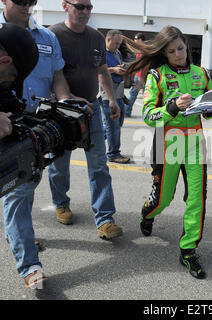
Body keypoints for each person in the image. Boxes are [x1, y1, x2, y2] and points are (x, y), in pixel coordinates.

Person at [0, 0, 87, 289]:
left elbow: (57, 77)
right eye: (20, 0)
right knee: (14, 193)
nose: (27, 6)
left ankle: (19, 237)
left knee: (22, 188)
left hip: (25, 122)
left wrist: (65, 104)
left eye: (32, 1)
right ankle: (29, 264)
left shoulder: (47, 38)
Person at [124, 26, 212, 279]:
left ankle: (188, 251)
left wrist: (209, 109)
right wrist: (172, 107)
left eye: (181, 49)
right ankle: (147, 214)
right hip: (167, 142)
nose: (178, 54)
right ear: (164, 53)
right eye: (172, 51)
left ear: (187, 47)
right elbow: (149, 116)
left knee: (197, 200)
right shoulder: (157, 75)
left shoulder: (201, 73)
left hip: (196, 142)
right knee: (163, 199)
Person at [47, 0, 123, 239]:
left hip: (91, 109)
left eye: (89, 7)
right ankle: (61, 203)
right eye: (80, 6)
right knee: (59, 164)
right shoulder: (52, 35)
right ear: (64, 6)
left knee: (100, 165)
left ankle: (105, 219)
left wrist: (110, 99)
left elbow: (102, 71)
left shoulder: (97, 37)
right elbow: (46, 73)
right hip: (61, 113)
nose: (85, 12)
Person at [99, 29, 130, 164]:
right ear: (108, 40)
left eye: (119, 44)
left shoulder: (117, 53)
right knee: (113, 125)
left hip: (118, 93)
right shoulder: (101, 53)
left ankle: (95, 141)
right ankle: (113, 153)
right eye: (116, 43)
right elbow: (96, 70)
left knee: (116, 124)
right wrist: (113, 70)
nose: (118, 46)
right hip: (107, 95)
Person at [124, 32, 146, 117]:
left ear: (140, 40)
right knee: (133, 93)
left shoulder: (143, 50)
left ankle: (127, 112)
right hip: (138, 75)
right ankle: (127, 111)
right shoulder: (141, 49)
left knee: (132, 94)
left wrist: (140, 77)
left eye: (135, 39)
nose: (134, 40)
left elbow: (144, 66)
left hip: (139, 76)